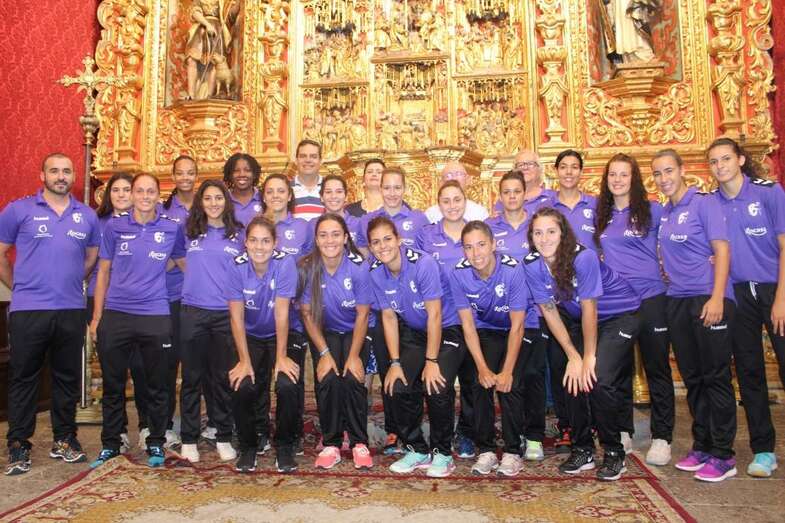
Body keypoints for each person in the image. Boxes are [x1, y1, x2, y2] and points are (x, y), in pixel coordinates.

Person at [1, 153, 100, 476]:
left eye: (66, 171)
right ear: (42, 175)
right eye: (54, 171)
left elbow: (91, 258)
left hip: (70, 309)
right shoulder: (19, 210)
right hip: (29, 310)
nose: (61, 176)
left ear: (73, 176)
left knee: (66, 378)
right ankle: (18, 444)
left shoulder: (86, 216)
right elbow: (0, 253)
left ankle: (65, 439)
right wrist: (19, 287)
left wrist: (70, 282)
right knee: (24, 378)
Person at [524, 207, 641, 481]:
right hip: (577, 318)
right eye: (538, 233)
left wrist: (588, 357)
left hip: (620, 315)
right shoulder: (531, 264)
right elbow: (550, 311)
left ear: (563, 233)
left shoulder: (583, 257)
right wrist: (573, 357)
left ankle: (614, 452)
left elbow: (591, 308)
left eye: (551, 231)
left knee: (598, 378)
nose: (544, 239)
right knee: (571, 377)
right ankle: (583, 449)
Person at [89, 173, 186, 469]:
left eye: (150, 191)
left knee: (157, 384)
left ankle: (155, 439)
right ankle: (110, 443)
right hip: (117, 313)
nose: (145, 196)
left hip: (155, 314)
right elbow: (103, 272)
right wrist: (97, 317)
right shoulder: (114, 226)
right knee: (113, 384)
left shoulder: (171, 228)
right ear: (131, 194)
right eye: (139, 191)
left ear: (158, 195)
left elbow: (184, 263)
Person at [652, 148, 738, 482]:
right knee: (693, 377)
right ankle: (702, 445)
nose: (664, 178)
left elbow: (722, 251)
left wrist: (717, 297)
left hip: (707, 297)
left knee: (715, 375)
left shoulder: (705, 203)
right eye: (658, 173)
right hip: (677, 300)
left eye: (669, 171)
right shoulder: (665, 212)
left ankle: (724, 454)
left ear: (682, 170)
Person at [367, 216, 467, 478]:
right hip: (415, 333)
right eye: (376, 242)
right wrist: (395, 363)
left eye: (387, 239)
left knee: (436, 385)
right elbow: (389, 317)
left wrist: (431, 362)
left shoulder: (423, 264)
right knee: (397, 385)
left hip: (447, 329)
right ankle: (417, 448)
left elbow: (435, 314)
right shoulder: (376, 271)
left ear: (398, 239)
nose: (382, 246)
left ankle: (443, 453)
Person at [709, 137, 785, 478]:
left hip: (775, 288)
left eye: (726, 159)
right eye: (714, 161)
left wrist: (781, 298)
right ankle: (764, 450)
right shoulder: (711, 203)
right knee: (749, 371)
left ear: (740, 160)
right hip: (738, 295)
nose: (720, 166)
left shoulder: (768, 193)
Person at [594, 153, 674, 465]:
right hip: (617, 302)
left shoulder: (652, 210)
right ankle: (623, 430)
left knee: (657, 368)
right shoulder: (601, 215)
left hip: (651, 297)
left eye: (624, 174)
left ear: (634, 178)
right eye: (612, 175)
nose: (617, 180)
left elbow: (676, 241)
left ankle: (662, 437)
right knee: (619, 370)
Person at [450, 221, 546, 476]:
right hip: (487, 328)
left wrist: (507, 371)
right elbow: (468, 326)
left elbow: (517, 326)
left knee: (509, 382)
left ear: (493, 245)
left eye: (481, 245)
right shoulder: (458, 274)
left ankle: (513, 451)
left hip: (522, 328)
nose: (476, 253)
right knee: (479, 380)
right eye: (469, 247)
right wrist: (482, 368)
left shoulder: (513, 270)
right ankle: (487, 449)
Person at [225, 216, 304, 473]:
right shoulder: (236, 266)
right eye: (254, 240)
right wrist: (244, 360)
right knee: (242, 383)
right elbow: (236, 317)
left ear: (275, 243)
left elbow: (282, 313)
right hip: (250, 334)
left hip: (283, 332)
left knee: (287, 383)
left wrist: (281, 357)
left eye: (266, 241)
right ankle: (249, 444)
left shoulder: (285, 263)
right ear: (246, 243)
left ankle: (285, 445)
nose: (259, 247)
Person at [299, 214, 375, 470]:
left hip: (356, 329)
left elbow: (363, 314)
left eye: (335, 234)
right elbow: (307, 315)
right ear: (316, 240)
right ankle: (331, 443)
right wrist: (324, 353)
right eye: (323, 235)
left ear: (345, 238)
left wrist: (353, 356)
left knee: (353, 377)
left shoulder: (358, 267)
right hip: (326, 331)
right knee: (328, 377)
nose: (329, 240)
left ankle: (358, 442)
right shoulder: (308, 267)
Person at [178, 180, 244, 464]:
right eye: (208, 198)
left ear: (226, 202)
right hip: (193, 312)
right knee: (191, 378)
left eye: (219, 198)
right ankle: (189, 438)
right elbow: (180, 261)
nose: (213, 203)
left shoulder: (238, 233)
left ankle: (223, 436)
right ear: (200, 202)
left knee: (221, 379)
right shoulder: (188, 230)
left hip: (224, 315)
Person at [417, 181, 477, 458]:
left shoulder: (475, 233)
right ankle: (441, 438)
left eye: (457, 199)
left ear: (465, 201)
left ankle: (466, 433)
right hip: (443, 321)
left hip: (476, 319)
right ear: (438, 204)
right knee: (441, 380)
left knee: (473, 382)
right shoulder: (427, 235)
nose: (452, 206)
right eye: (446, 200)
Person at [89, 172, 148, 452]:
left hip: (137, 304)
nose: (122, 195)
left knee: (142, 370)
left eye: (127, 189)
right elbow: (94, 264)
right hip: (103, 302)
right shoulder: (98, 223)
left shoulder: (147, 223)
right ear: (107, 194)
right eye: (116, 190)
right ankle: (118, 432)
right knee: (113, 375)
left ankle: (147, 427)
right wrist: (96, 315)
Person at [158, 155, 199, 449]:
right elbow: (165, 254)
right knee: (168, 363)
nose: (185, 177)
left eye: (190, 173)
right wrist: (179, 260)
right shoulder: (163, 211)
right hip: (172, 295)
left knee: (196, 365)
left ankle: (194, 423)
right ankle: (165, 423)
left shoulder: (206, 207)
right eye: (180, 173)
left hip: (199, 298)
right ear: (173, 176)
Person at [356, 167, 429, 255]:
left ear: (404, 189)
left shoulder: (419, 219)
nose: (392, 193)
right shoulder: (366, 221)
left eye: (397, 188)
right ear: (380, 189)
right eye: (387, 188)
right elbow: (363, 253)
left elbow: (427, 252)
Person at [485, 170, 537, 260]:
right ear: (500, 197)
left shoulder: (536, 223)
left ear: (525, 195)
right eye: (506, 192)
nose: (512, 196)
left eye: (517, 191)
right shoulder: (488, 226)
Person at [552, 150, 598, 249]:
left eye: (574, 167)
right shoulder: (546, 207)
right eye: (563, 167)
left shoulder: (596, 204)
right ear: (556, 171)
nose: (569, 172)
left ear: (581, 172)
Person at [262, 173, 313, 258]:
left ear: (289, 196)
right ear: (264, 197)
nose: (275, 195)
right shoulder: (253, 226)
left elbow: (309, 260)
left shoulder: (303, 227)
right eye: (269, 192)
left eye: (281, 191)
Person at [492, 150, 555, 215]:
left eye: (530, 164)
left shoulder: (553, 198)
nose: (525, 168)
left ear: (540, 169)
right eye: (520, 165)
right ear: (514, 170)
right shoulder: (505, 200)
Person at [424, 161, 489, 223]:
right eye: (448, 175)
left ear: (468, 180)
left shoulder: (480, 213)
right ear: (441, 183)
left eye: (459, 174)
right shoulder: (431, 214)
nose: (454, 178)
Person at [319, 174, 361, 244]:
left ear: (346, 196)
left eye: (339, 192)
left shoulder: (358, 224)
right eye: (328, 192)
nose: (334, 196)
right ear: (321, 197)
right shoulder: (313, 225)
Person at [224, 153, 263, 226]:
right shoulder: (223, 199)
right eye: (236, 170)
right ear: (230, 175)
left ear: (254, 174)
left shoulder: (264, 197)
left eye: (247, 170)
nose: (242, 174)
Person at [292, 139, 325, 221]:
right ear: (296, 160)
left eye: (313, 156)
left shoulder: (329, 188)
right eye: (303, 156)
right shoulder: (286, 189)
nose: (308, 160)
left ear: (320, 161)